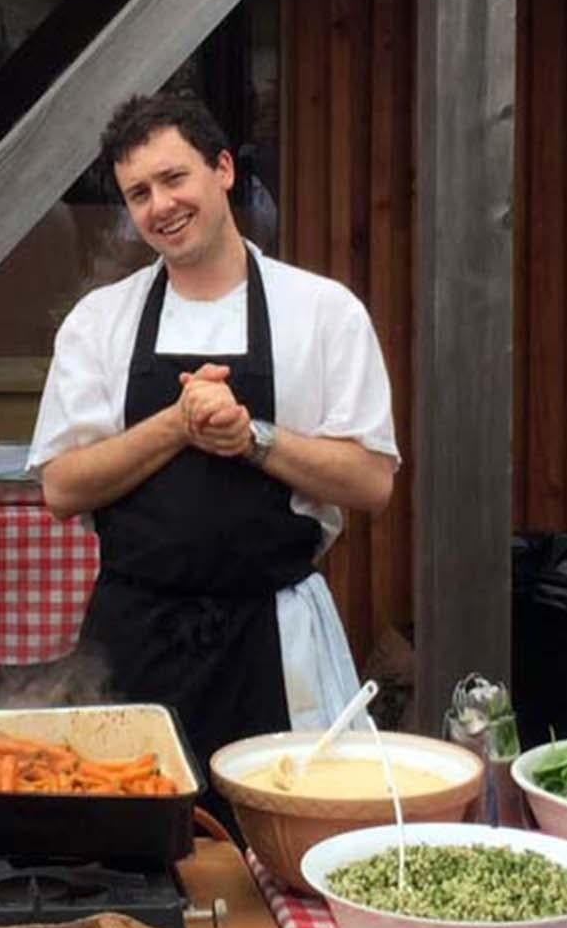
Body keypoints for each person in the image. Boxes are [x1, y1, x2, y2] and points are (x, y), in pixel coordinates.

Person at [28, 93, 399, 788]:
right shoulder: (99, 322)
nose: (160, 205)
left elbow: (371, 483)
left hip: (272, 639)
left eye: (175, 179)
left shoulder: (321, 313)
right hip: (130, 643)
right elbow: (60, 488)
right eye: (139, 193)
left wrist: (251, 438)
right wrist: (177, 424)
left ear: (223, 169)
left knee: (278, 840)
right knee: (126, 846)